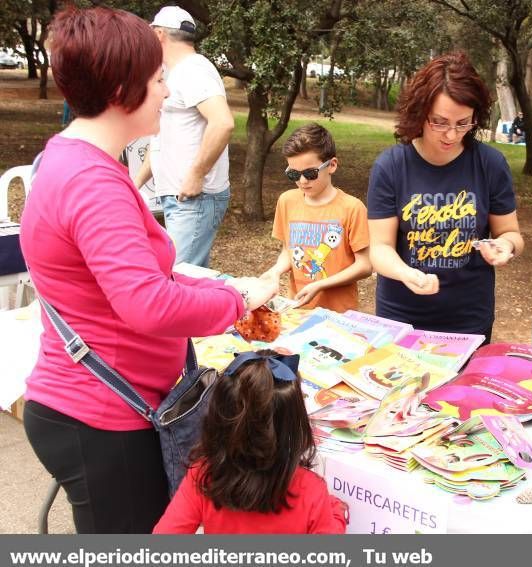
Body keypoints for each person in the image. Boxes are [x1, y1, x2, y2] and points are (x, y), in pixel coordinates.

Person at [19, 6, 276, 533]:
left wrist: (224, 288)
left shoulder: (75, 161)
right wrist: (238, 301)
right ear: (121, 87)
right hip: (101, 416)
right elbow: (148, 303)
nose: (165, 91)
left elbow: (140, 280)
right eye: (159, 78)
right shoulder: (93, 182)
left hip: (103, 407)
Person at [367, 52, 524, 339]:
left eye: (463, 123)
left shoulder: (490, 165)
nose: (451, 135)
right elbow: (379, 248)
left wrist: (505, 246)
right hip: (401, 317)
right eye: (439, 122)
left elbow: (512, 233)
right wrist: (406, 273)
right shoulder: (390, 167)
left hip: (468, 320)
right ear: (419, 112)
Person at [153, 350, 348, 534]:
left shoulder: (203, 475)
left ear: (217, 418)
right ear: (294, 424)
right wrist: (338, 516)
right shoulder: (310, 490)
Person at [134, 5, 234, 268]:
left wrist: (196, 174)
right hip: (181, 197)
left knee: (175, 278)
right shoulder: (173, 74)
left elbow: (222, 123)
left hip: (194, 197)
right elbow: (163, 142)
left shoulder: (194, 70)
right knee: (189, 281)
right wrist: (136, 183)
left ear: (158, 35)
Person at [259, 124, 371, 312]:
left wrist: (321, 284)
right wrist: (275, 271)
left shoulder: (353, 208)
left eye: (310, 173)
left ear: (332, 165)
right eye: (293, 174)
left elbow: (365, 265)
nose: (302, 181)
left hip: (339, 315)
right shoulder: (287, 201)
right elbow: (289, 250)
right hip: (298, 310)